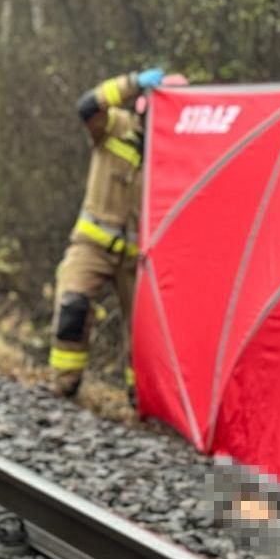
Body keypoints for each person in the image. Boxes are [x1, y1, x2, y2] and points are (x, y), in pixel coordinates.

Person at [48, 68, 183, 400]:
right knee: (73, 307)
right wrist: (132, 82)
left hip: (139, 260)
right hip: (92, 245)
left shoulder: (174, 153)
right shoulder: (113, 127)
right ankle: (65, 385)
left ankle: (140, 398)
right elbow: (87, 106)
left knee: (146, 337)